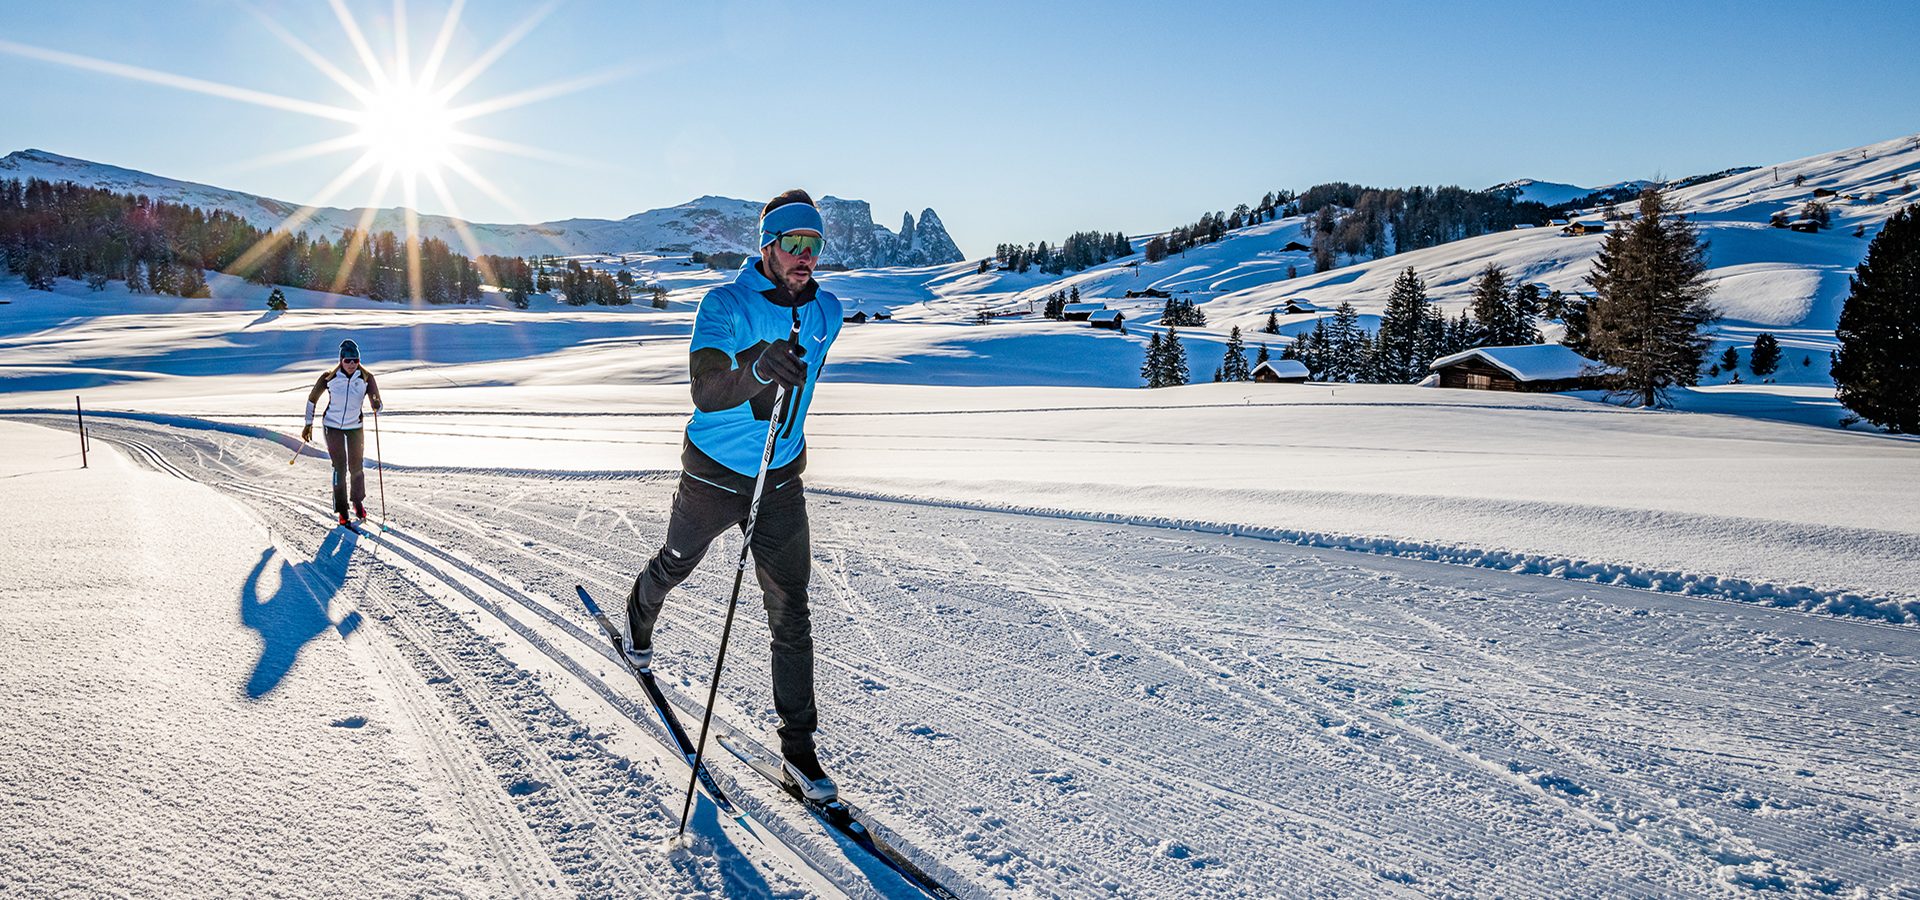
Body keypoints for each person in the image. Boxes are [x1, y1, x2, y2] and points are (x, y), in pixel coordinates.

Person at [625, 189, 843, 800]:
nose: (805, 257)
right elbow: (706, 389)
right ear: (767, 245)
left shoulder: (828, 312)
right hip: (714, 473)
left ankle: (799, 754)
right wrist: (758, 369)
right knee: (677, 562)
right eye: (793, 244)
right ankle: (639, 613)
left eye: (814, 246)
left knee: (790, 609)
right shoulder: (724, 304)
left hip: (780, 479)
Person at [302, 339, 383, 526]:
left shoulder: (366, 378)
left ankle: (357, 502)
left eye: (355, 360)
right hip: (332, 426)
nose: (352, 364)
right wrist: (308, 424)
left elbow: (378, 401)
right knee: (339, 466)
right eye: (348, 360)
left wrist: (377, 404)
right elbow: (312, 400)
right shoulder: (328, 378)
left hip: (355, 427)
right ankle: (342, 510)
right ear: (340, 360)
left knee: (356, 467)